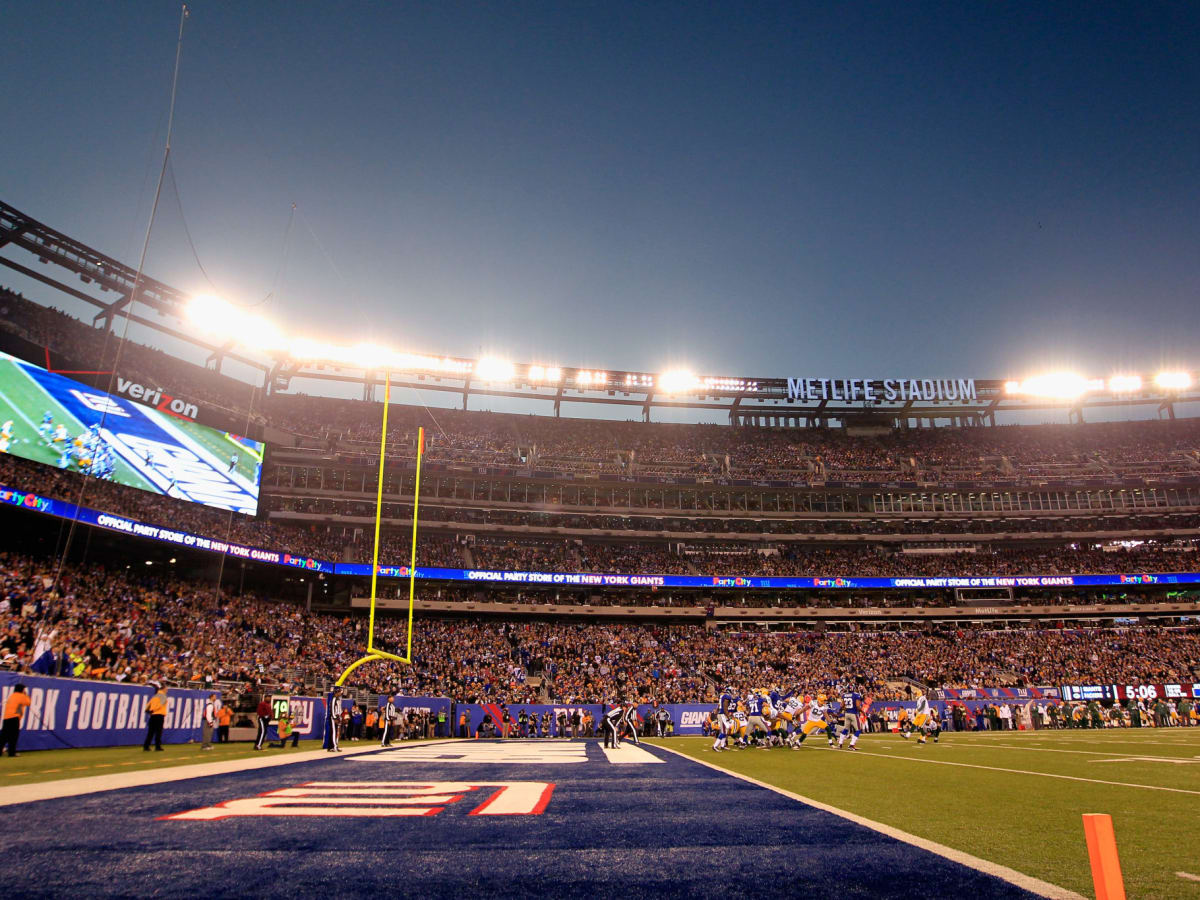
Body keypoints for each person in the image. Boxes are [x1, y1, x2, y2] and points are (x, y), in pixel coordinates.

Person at [2, 683, 31, 757]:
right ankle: (12, 753)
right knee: (13, 736)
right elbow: (28, 703)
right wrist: (25, 695)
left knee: (4, 736)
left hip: (6, 718)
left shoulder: (12, 696)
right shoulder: (21, 696)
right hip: (14, 718)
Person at [143, 682, 168, 752]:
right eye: (166, 689)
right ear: (163, 689)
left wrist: (148, 711)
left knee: (150, 732)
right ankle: (157, 746)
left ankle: (146, 746)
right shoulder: (163, 696)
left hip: (153, 716)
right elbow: (160, 705)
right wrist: (153, 710)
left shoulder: (155, 695)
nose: (167, 690)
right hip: (159, 715)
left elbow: (148, 704)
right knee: (158, 732)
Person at [323, 685, 343, 752]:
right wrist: (334, 718)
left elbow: (339, 709)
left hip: (337, 716)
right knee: (334, 732)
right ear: (336, 692)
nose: (340, 693)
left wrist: (340, 716)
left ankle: (334, 745)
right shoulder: (334, 699)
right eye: (339, 692)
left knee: (336, 732)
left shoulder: (338, 699)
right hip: (334, 717)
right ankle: (334, 746)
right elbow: (332, 709)